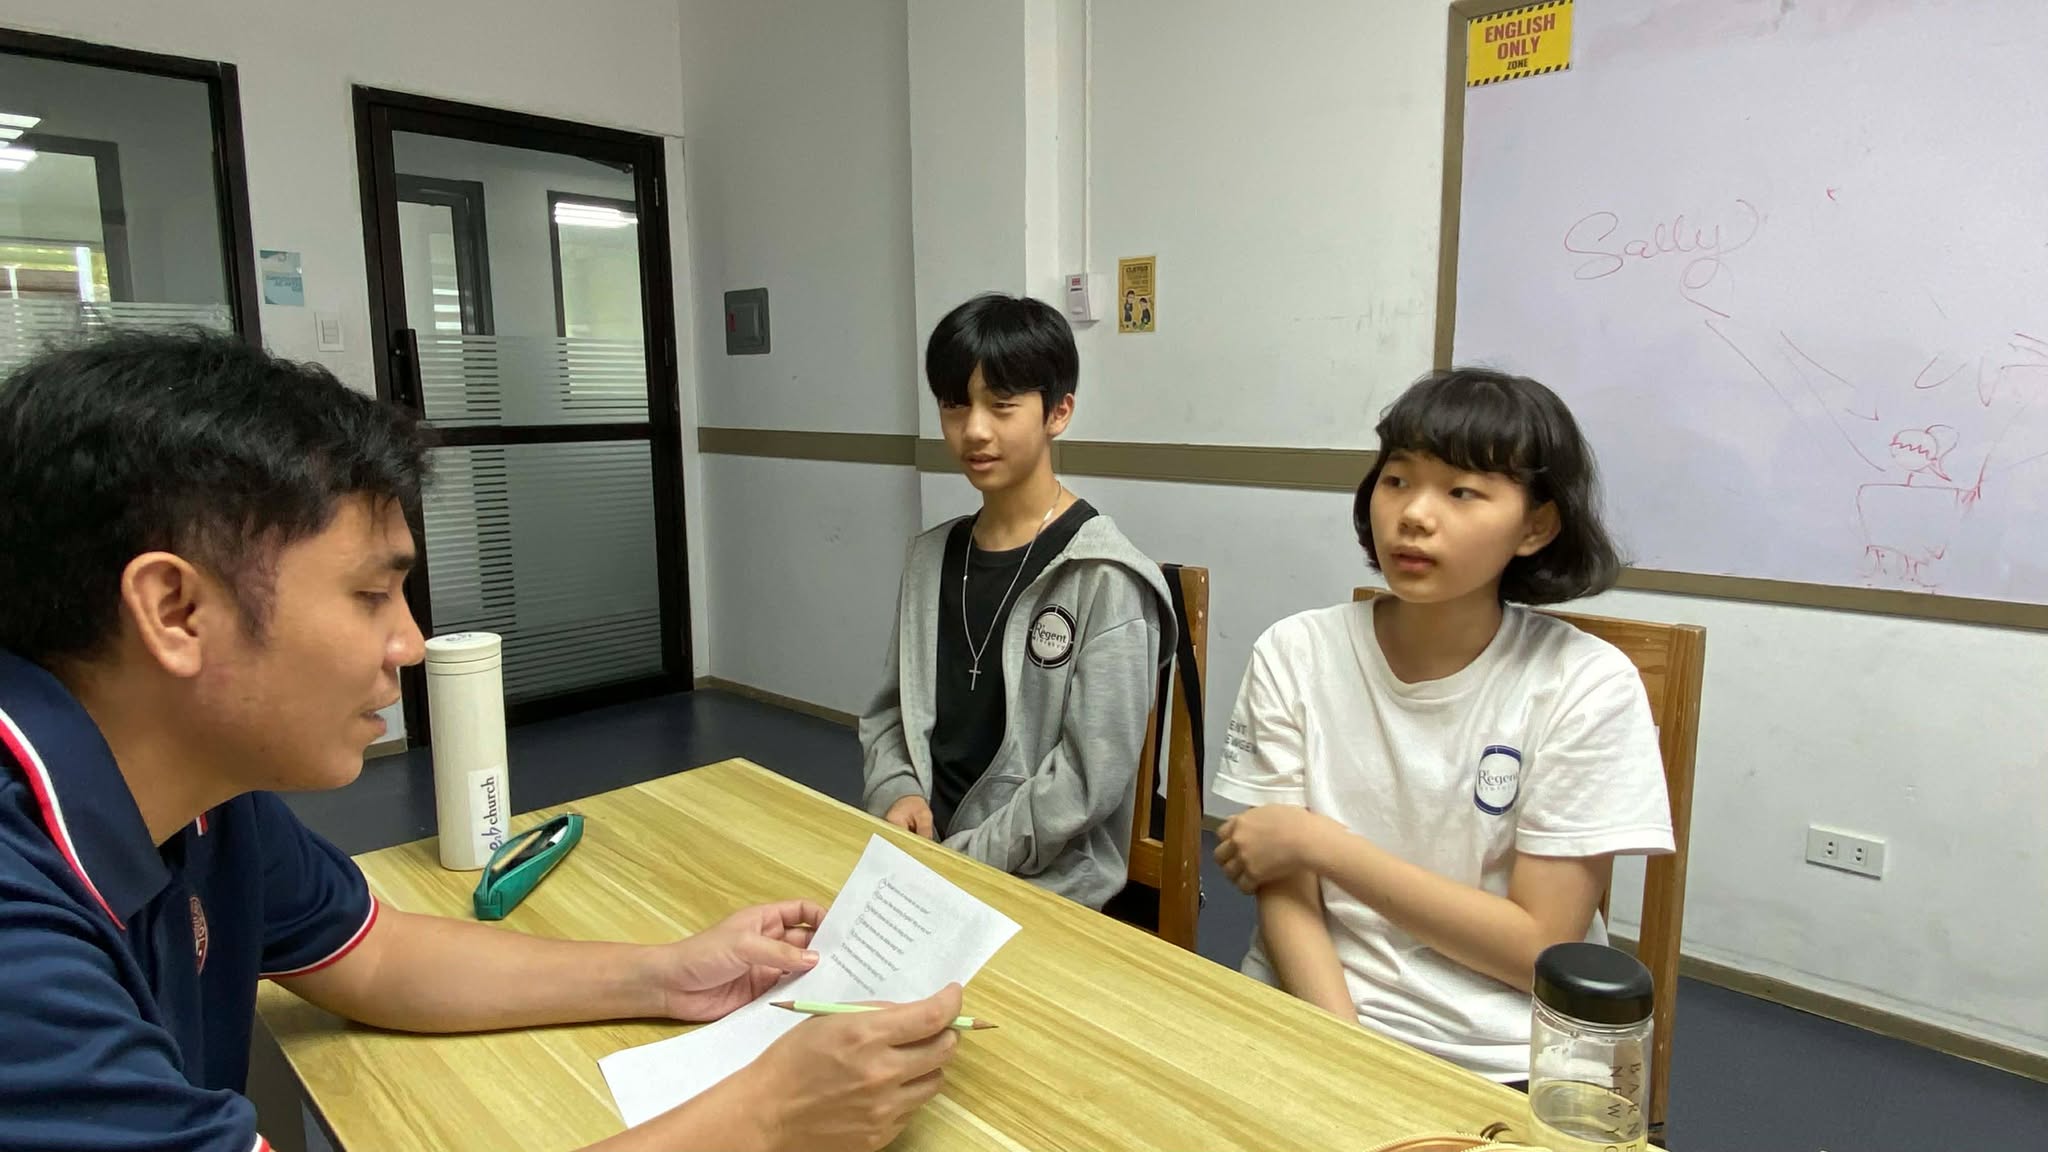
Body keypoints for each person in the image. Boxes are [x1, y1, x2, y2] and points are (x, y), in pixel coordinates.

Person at [0, 330, 960, 1152]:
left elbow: (372, 956)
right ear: (175, 610)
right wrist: (765, 1116)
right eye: (371, 595)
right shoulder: (18, 944)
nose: (410, 644)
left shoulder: (201, 795)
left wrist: (668, 974)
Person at [1210, 367, 1674, 1084]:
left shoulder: (1584, 683)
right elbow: (1285, 890)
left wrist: (1320, 844)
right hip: (1309, 1014)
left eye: (1461, 492)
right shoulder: (1296, 650)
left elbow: (1539, 949)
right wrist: (1349, 1056)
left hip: (1496, 1054)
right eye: (1397, 480)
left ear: (1536, 526)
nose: (1415, 515)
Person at [860, 293, 1171, 911]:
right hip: (921, 862)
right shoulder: (929, 559)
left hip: (1045, 885)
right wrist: (897, 792)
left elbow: (1088, 777)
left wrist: (964, 862)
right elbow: (892, 711)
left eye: (1002, 406)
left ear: (1059, 412)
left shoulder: (1103, 577)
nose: (974, 430)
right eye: (955, 405)